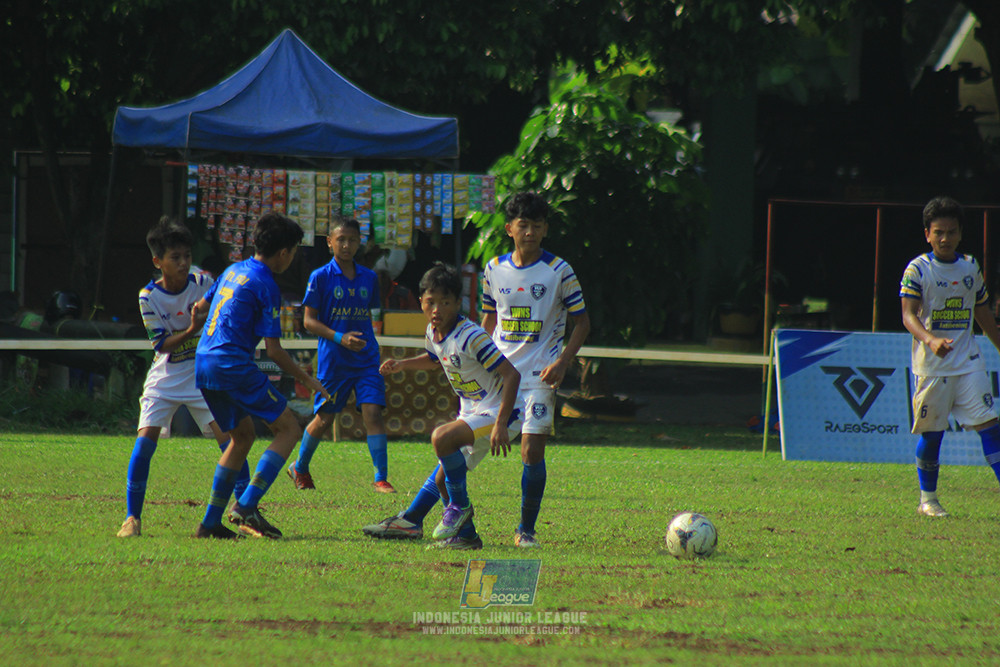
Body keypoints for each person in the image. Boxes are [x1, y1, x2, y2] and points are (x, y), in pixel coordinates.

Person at [362, 263, 521, 549]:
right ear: (421, 301)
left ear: (457, 303)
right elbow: (435, 358)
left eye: (445, 302)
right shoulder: (433, 332)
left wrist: (500, 424)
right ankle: (461, 535)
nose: (437, 309)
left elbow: (512, 374)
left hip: (501, 413)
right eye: (430, 302)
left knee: (442, 438)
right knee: (442, 476)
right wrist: (402, 365)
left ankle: (459, 508)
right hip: (473, 411)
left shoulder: (471, 336)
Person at [193, 212, 330, 539]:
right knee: (289, 428)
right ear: (284, 252)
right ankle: (247, 504)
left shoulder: (231, 270)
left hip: (203, 362)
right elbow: (274, 351)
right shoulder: (266, 283)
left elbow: (199, 308)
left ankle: (210, 522)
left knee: (241, 438)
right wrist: (310, 380)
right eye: (294, 251)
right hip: (232, 365)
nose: (293, 257)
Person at [117, 218, 249, 538]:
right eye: (175, 257)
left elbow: (226, 305)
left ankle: (246, 511)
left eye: (187, 255)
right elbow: (161, 344)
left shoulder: (204, 281)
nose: (183, 262)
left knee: (233, 442)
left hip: (202, 375)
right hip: (166, 376)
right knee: (145, 441)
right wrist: (191, 330)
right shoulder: (148, 297)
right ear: (157, 261)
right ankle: (132, 519)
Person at [480, 192, 590, 548]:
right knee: (466, 445)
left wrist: (562, 362)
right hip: (501, 375)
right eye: (522, 225)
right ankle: (444, 515)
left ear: (544, 231)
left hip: (541, 375)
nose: (529, 232)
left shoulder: (559, 271)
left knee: (531, 450)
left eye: (536, 226)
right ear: (510, 228)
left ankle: (525, 530)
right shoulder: (494, 269)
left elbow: (583, 322)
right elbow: (488, 319)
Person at [900, 195, 1000, 518]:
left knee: (991, 427)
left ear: (960, 233)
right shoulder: (918, 269)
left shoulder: (970, 266)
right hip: (933, 366)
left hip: (968, 362)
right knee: (933, 433)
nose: (945, 238)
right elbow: (908, 315)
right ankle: (927, 499)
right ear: (927, 234)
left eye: (951, 232)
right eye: (938, 232)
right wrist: (929, 340)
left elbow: (982, 313)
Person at [286, 216, 395, 493]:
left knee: (373, 412)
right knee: (324, 419)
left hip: (367, 359)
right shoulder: (320, 277)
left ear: (360, 243)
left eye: (352, 240)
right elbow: (308, 321)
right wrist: (340, 338)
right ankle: (300, 466)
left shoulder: (369, 278)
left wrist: (370, 338)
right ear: (330, 242)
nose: (346, 245)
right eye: (341, 239)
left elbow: (371, 316)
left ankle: (380, 478)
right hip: (334, 362)